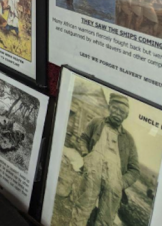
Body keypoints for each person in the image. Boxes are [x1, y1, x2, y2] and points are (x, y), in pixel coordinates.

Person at [70, 93, 139, 226]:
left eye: (122, 112)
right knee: (82, 209)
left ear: (126, 116)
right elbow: (83, 139)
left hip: (114, 182)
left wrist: (121, 183)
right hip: (93, 174)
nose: (118, 114)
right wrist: (86, 156)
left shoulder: (128, 140)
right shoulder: (97, 122)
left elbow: (134, 170)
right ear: (109, 107)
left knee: (105, 219)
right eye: (116, 109)